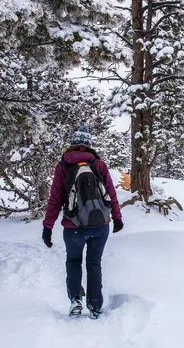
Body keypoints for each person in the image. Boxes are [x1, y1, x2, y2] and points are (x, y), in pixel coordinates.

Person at [42, 126, 123, 318]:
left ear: (72, 144)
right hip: (99, 224)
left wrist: (48, 226)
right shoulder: (99, 165)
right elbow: (111, 194)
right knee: (94, 264)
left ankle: (75, 301)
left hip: (73, 227)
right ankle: (95, 306)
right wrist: (118, 218)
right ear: (88, 145)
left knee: (73, 261)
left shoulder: (63, 166)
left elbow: (55, 199)